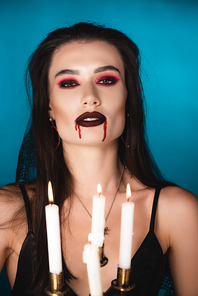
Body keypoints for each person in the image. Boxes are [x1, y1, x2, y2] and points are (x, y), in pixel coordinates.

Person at [0, 22, 197, 296]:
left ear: (128, 99)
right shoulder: (7, 210)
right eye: (69, 83)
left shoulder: (176, 211)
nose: (90, 98)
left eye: (106, 80)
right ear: (48, 107)